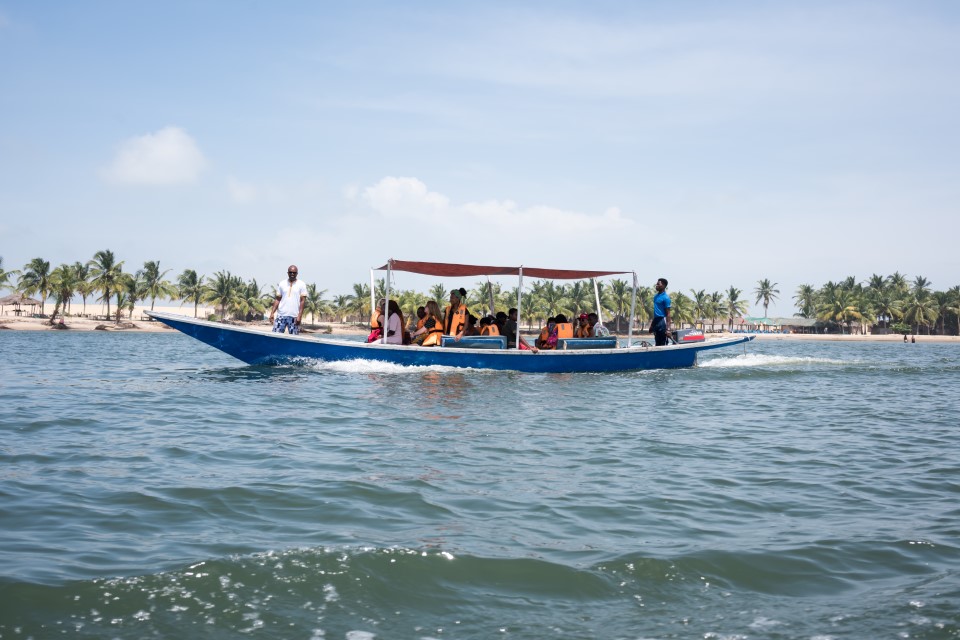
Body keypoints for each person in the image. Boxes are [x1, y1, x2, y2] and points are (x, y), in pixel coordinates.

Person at [269, 265, 307, 335]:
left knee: (294, 339)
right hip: (281, 315)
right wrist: (272, 313)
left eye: (294, 273)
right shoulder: (282, 283)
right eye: (290, 272)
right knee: (275, 337)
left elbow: (302, 301)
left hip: (294, 317)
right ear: (288, 273)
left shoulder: (302, 284)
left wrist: (299, 316)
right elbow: (277, 299)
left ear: (297, 273)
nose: (292, 274)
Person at [650, 277, 672, 346]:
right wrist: (652, 325)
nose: (656, 285)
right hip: (656, 321)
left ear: (664, 286)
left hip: (662, 321)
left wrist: (668, 329)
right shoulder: (655, 296)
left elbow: (668, 314)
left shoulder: (666, 298)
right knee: (657, 341)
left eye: (658, 284)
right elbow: (656, 313)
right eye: (656, 284)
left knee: (662, 342)